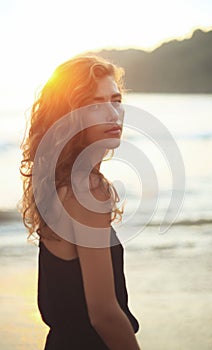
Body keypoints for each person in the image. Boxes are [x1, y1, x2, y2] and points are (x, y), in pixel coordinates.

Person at [19, 55, 140, 349]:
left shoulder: (59, 179)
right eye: (95, 105)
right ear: (70, 115)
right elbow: (104, 315)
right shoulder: (85, 188)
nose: (113, 114)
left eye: (116, 100)